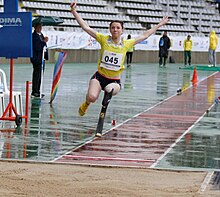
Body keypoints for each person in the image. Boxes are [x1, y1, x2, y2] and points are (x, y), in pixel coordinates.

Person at [70, 1, 168, 116]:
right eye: (113, 28)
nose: (115, 30)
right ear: (110, 30)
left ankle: (105, 104)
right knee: (91, 97)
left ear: (122, 30)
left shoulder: (126, 43)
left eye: (118, 28)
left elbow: (145, 35)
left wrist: (159, 25)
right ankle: (86, 104)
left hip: (114, 81)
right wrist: (74, 11)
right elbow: (85, 27)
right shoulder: (103, 39)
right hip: (99, 76)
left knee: (110, 89)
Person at [30, 23, 48, 98]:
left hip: (41, 58)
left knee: (40, 75)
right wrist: (44, 41)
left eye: (41, 26)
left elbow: (43, 46)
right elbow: (37, 47)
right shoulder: (34, 36)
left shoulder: (41, 35)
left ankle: (38, 90)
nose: (40, 28)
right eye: (39, 26)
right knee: (36, 75)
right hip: (36, 58)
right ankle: (35, 91)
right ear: (35, 27)